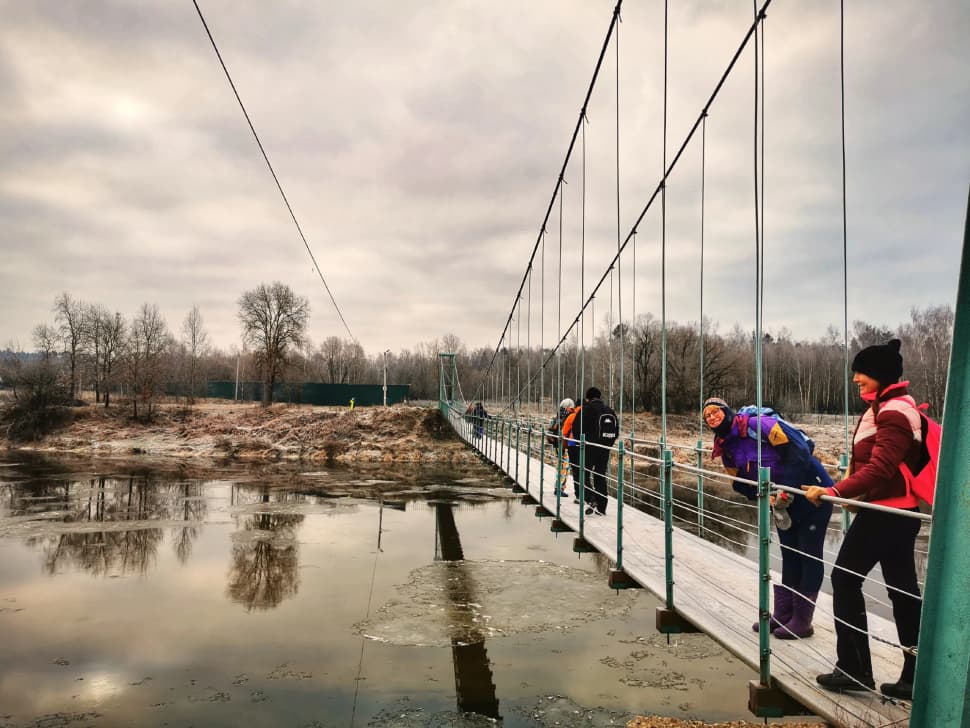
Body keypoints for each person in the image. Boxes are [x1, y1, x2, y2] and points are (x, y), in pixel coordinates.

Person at [803, 339, 923, 700]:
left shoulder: (894, 411)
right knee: (903, 592)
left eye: (862, 372)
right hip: (896, 513)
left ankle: (854, 670)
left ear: (882, 375)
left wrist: (835, 492)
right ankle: (914, 675)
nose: (855, 378)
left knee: (844, 579)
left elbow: (881, 468)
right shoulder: (889, 405)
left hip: (887, 514)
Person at [703, 397, 834, 639]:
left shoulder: (759, 425)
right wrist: (764, 495)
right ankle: (784, 614)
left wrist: (785, 490)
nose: (712, 417)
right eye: (707, 416)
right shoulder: (725, 447)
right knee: (790, 555)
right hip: (781, 502)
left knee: (808, 554)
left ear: (726, 411)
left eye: (715, 411)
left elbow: (800, 452)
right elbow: (739, 483)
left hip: (810, 493)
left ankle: (803, 621)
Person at [575, 386, 615, 516]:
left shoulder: (585, 410)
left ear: (588, 398)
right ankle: (602, 508)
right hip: (604, 449)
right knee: (600, 476)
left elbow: (576, 431)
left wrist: (579, 444)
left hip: (589, 448)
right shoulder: (609, 410)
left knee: (583, 474)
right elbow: (616, 431)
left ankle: (591, 498)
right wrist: (607, 445)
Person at [547, 398, 580, 498]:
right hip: (565, 445)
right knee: (564, 467)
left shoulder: (556, 417)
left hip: (556, 445)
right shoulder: (569, 416)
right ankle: (559, 488)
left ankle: (558, 487)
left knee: (560, 467)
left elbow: (550, 430)